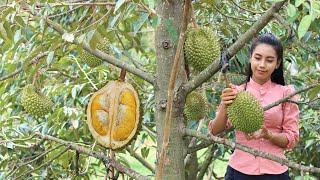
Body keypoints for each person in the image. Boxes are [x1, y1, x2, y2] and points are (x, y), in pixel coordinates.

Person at [208, 33, 300, 180]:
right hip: (239, 171)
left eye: (269, 60)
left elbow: (292, 139)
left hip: (275, 172)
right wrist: (225, 105)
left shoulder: (287, 94)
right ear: (250, 58)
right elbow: (215, 131)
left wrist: (268, 134)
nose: (262, 65)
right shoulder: (235, 92)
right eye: (257, 58)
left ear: (277, 63)